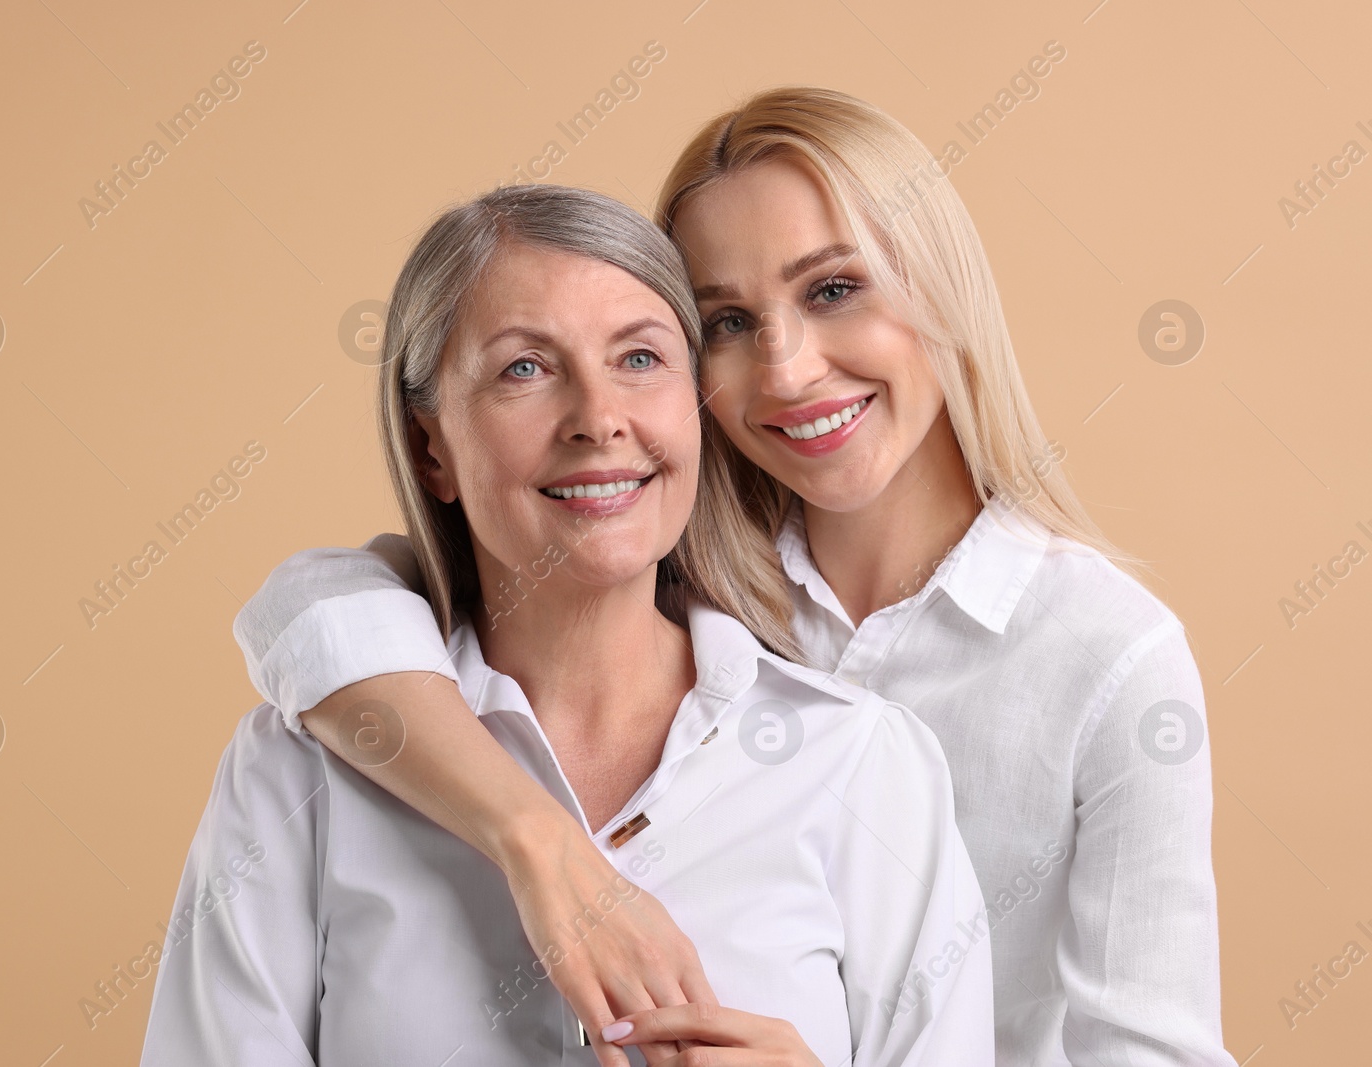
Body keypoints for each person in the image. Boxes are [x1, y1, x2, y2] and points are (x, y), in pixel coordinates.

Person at [231, 87, 1237, 1066]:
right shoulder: (658, 573)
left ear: (942, 285)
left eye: (833, 288)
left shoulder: (1104, 655)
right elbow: (314, 614)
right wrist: (542, 844)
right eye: (725, 321)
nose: (789, 369)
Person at [141, 183, 994, 1066]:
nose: (598, 419)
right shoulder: (296, 777)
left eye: (640, 358)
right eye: (525, 369)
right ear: (433, 449)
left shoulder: (862, 764)